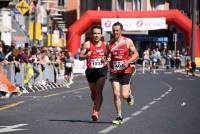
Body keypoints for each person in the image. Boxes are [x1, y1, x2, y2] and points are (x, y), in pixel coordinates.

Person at [107, 22, 139, 125]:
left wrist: (128, 62)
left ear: (121, 30)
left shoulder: (127, 41)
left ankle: (129, 96)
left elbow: (136, 54)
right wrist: (106, 59)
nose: (115, 32)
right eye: (113, 30)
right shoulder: (110, 43)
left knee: (124, 96)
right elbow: (107, 55)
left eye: (117, 30)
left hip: (125, 71)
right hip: (114, 71)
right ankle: (119, 116)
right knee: (116, 94)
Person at [79, 25, 108, 121]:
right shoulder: (87, 44)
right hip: (91, 71)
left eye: (98, 33)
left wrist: (106, 59)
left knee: (99, 91)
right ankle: (96, 105)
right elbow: (80, 57)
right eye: (95, 33)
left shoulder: (105, 45)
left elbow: (109, 57)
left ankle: (96, 112)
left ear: (101, 34)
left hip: (102, 70)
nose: (96, 35)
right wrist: (87, 55)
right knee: (93, 94)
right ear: (91, 35)